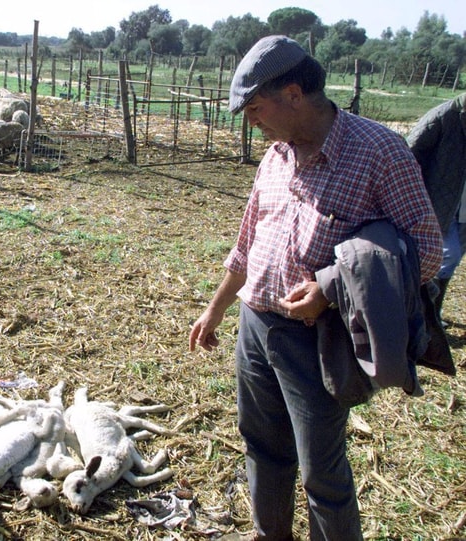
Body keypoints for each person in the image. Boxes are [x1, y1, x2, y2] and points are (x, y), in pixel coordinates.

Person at [188, 35, 442, 541]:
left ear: (295, 94)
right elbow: (246, 245)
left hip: (317, 339)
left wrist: (329, 286)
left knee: (320, 472)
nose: (250, 121)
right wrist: (216, 310)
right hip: (254, 330)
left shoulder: (378, 153)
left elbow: (427, 252)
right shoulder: (275, 157)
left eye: (256, 108)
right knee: (261, 448)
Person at [406, 93, 466, 324]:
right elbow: (409, 156)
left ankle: (433, 315)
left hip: (462, 206)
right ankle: (424, 317)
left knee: (451, 261)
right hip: (440, 204)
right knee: (440, 259)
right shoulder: (443, 117)